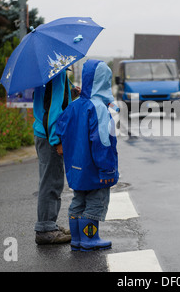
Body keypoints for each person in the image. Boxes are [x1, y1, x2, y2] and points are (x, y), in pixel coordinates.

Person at [56, 60, 119, 252]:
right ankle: (90, 239)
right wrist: (107, 168)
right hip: (95, 168)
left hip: (76, 167)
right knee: (95, 202)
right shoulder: (99, 108)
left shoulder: (74, 106)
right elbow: (103, 142)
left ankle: (76, 239)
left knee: (78, 200)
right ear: (103, 82)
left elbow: (61, 128)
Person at [33, 70, 75, 245]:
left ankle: (49, 225)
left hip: (43, 133)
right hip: (50, 135)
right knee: (51, 181)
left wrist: (71, 93)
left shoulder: (46, 72)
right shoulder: (55, 73)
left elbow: (49, 102)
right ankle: (46, 229)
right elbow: (53, 109)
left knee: (51, 179)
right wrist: (57, 140)